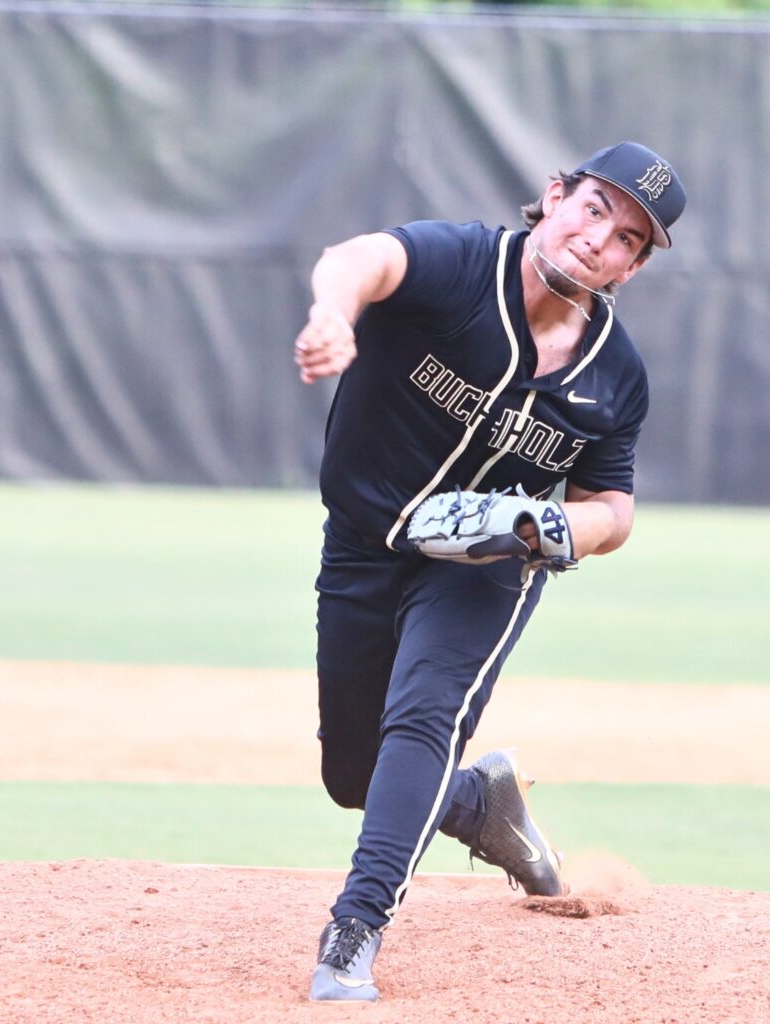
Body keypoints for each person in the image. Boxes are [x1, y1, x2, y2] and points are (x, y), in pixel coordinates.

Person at [293, 142, 686, 1002]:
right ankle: (479, 804)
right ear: (554, 197)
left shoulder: (614, 377)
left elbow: (612, 510)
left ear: (635, 266)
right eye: (593, 208)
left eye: (627, 238)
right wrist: (332, 313)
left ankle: (353, 933)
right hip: (363, 540)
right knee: (354, 779)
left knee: (424, 716)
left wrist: (544, 524)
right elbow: (357, 259)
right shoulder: (461, 265)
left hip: (487, 566)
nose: (597, 239)